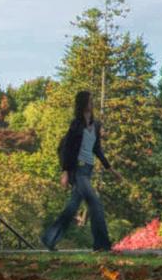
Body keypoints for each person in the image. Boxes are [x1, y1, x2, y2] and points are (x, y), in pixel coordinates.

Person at [43, 90, 116, 252]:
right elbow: (67, 148)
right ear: (82, 104)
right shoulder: (76, 124)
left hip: (88, 169)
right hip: (77, 169)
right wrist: (65, 171)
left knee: (72, 206)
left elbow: (97, 149)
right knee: (95, 203)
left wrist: (110, 169)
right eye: (89, 101)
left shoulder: (96, 125)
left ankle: (50, 238)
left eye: (92, 100)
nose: (92, 103)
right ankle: (102, 244)